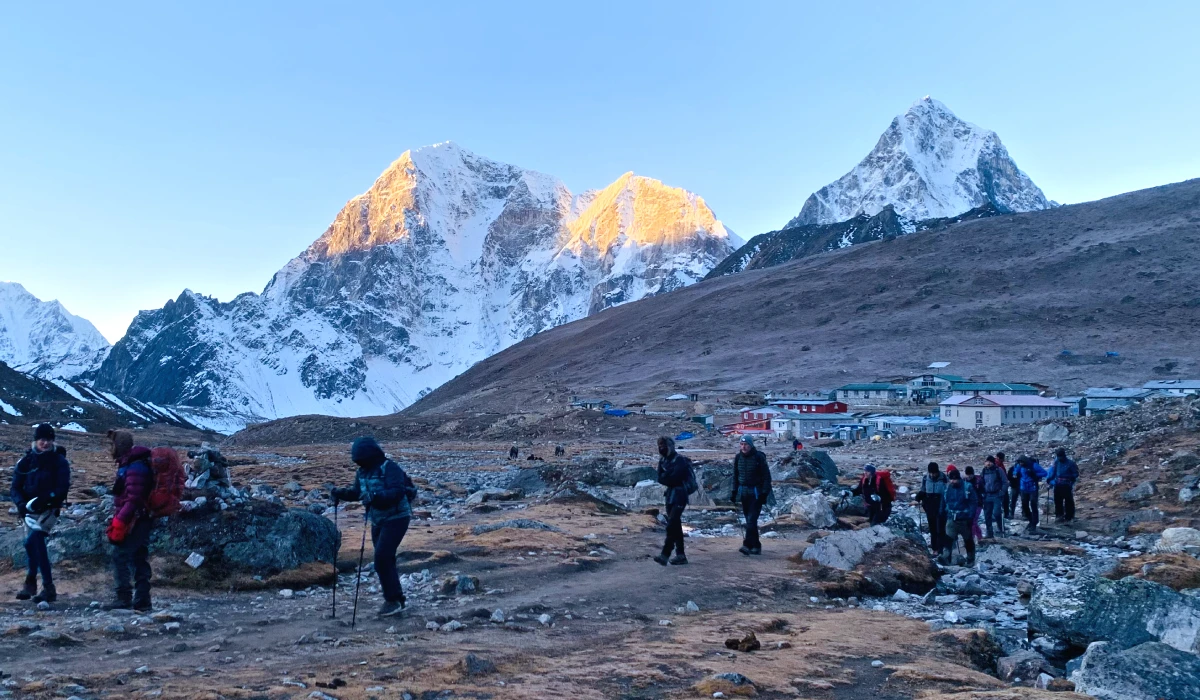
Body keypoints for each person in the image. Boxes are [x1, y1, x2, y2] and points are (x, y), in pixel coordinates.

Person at [332, 437, 417, 617]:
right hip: (377, 519)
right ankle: (398, 598)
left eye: (362, 458)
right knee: (385, 559)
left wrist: (376, 496)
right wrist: (341, 494)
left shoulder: (389, 467)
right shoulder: (362, 472)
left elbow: (397, 491)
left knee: (382, 558)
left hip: (397, 517)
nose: (360, 462)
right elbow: (358, 493)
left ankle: (392, 600)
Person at [10, 424, 71, 603]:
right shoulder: (26, 462)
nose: (45, 443)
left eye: (48, 440)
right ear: (35, 441)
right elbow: (15, 487)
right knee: (33, 545)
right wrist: (21, 504)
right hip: (28, 512)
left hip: (48, 510)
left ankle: (42, 584)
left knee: (33, 541)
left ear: (53, 441)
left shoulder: (59, 462)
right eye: (41, 440)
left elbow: (62, 487)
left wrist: (46, 499)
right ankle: (37, 586)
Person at [104, 430, 155, 611]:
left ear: (120, 446)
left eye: (113, 445)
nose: (111, 448)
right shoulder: (133, 463)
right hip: (141, 517)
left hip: (136, 519)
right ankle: (142, 600)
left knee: (120, 555)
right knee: (139, 556)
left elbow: (134, 498)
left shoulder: (134, 467)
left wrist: (120, 520)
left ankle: (124, 597)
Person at [653, 436, 693, 565]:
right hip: (670, 495)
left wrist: (667, 477)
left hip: (680, 494)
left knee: (671, 524)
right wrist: (668, 477)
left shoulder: (679, 460)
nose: (661, 449)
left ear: (670, 447)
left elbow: (675, 478)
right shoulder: (663, 460)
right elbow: (660, 478)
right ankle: (681, 555)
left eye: (664, 446)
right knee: (675, 525)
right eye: (660, 446)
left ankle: (665, 554)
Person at [730, 436, 771, 555]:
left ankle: (747, 545)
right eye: (741, 444)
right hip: (743, 493)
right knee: (750, 520)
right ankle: (756, 546)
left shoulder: (759, 457)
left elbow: (766, 477)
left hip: (756, 493)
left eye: (746, 444)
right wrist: (734, 492)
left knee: (751, 520)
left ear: (751, 445)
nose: (743, 447)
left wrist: (764, 494)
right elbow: (735, 476)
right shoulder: (738, 458)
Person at [939, 466, 978, 566]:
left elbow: (973, 502)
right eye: (951, 479)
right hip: (951, 518)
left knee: (968, 540)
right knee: (948, 539)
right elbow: (943, 502)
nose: (953, 481)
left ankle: (970, 559)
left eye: (955, 479)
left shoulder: (967, 487)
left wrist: (970, 516)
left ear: (959, 479)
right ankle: (946, 558)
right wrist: (941, 513)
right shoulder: (947, 488)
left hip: (964, 519)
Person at [915, 462, 947, 552]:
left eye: (934, 473)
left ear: (937, 471)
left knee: (940, 529)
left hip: (940, 505)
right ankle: (935, 549)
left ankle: (941, 549)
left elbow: (947, 492)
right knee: (932, 529)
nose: (932, 475)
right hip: (929, 506)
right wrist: (919, 496)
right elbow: (923, 490)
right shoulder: (925, 478)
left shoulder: (944, 478)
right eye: (931, 473)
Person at [1013, 455, 1047, 533]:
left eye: (1021, 462)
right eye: (1019, 463)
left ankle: (1034, 523)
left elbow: (1044, 473)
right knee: (1024, 505)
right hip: (1023, 488)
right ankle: (1030, 520)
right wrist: (1015, 473)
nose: (1020, 464)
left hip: (1033, 488)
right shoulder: (1019, 466)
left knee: (1033, 504)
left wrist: (1034, 474)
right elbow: (1015, 471)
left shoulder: (1033, 465)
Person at [980, 455, 1008, 539]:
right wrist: (982, 492)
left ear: (993, 462)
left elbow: (1005, 482)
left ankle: (1000, 528)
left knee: (996, 513)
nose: (988, 463)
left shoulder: (998, 470)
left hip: (996, 495)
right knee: (987, 515)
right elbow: (981, 482)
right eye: (987, 462)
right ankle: (990, 533)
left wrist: (1002, 492)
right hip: (987, 495)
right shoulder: (984, 471)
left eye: (990, 462)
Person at [1047, 447, 1079, 522]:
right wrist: (1049, 480)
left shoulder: (1071, 463)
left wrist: (1069, 478)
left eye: (1061, 456)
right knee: (1057, 501)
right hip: (1058, 484)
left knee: (1068, 501)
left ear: (1064, 455)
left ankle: (1069, 517)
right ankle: (1059, 516)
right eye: (1058, 456)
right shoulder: (1057, 462)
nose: (1059, 458)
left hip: (1066, 485)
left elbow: (1076, 474)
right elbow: (1054, 473)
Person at [963, 465, 984, 540]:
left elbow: (983, 491)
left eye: (970, 474)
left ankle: (971, 539)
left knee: (973, 522)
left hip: (978, 504)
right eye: (967, 474)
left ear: (973, 474)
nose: (969, 476)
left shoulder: (978, 481)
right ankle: (980, 537)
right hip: (968, 505)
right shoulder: (964, 482)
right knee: (972, 522)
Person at [999, 452, 1018, 519]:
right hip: (1011, 486)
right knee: (1007, 500)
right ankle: (1007, 514)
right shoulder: (999, 466)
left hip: (1013, 486)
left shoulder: (1001, 465)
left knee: (1010, 500)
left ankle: (1008, 513)